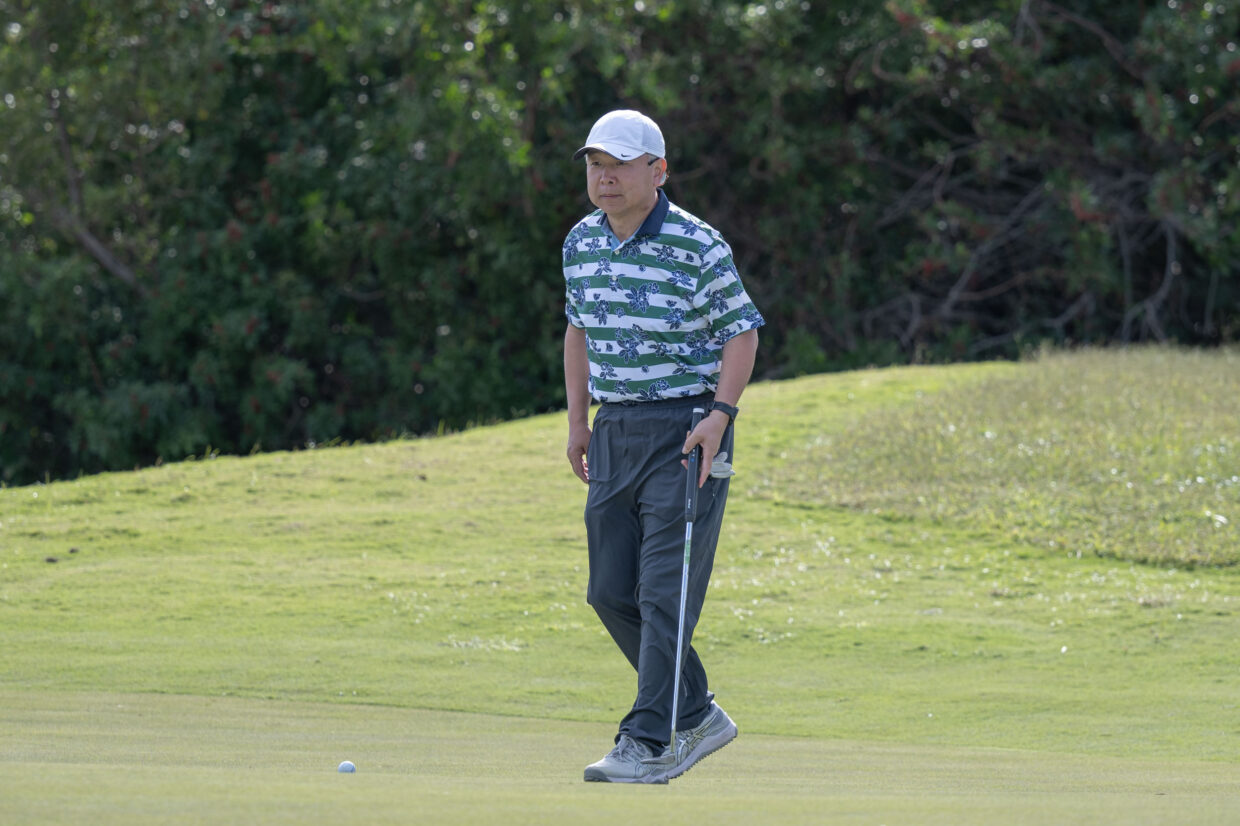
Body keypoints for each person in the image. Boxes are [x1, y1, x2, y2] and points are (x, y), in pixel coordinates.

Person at [561, 109, 764, 783]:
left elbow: (741, 332)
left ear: (658, 171)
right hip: (615, 428)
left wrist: (721, 416)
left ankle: (648, 741)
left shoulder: (697, 243)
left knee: (662, 592)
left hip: (689, 429)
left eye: (619, 165)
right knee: (607, 591)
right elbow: (578, 330)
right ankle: (698, 711)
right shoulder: (581, 242)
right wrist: (578, 422)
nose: (605, 178)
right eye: (596, 165)